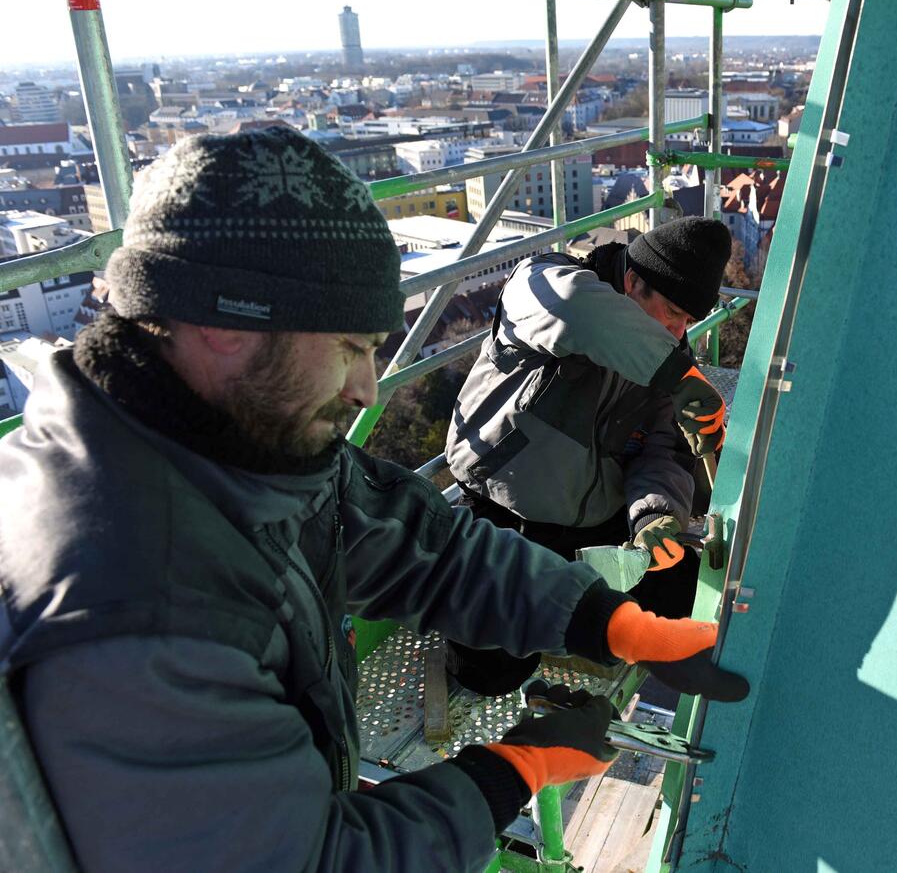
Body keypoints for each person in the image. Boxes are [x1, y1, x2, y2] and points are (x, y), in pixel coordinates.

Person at [0, 128, 748, 873]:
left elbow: (418, 544)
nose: (367, 388)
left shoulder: (239, 439)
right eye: (350, 347)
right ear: (224, 328)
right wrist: (511, 773)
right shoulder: (140, 611)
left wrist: (605, 621)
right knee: (489, 670)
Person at [444, 217, 731, 695]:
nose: (678, 331)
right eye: (673, 311)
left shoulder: (668, 352)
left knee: (689, 598)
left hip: (594, 523)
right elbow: (576, 311)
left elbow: (662, 449)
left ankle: (569, 614)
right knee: (489, 674)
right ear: (633, 280)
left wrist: (655, 515)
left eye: (688, 322)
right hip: (505, 513)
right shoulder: (543, 284)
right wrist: (678, 375)